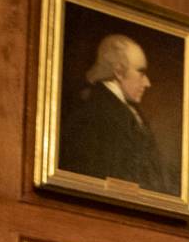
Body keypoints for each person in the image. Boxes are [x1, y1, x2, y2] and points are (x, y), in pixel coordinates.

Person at [61, 33, 171, 192]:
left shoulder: (126, 109)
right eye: (141, 72)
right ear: (119, 72)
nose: (147, 83)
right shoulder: (96, 112)